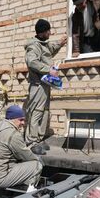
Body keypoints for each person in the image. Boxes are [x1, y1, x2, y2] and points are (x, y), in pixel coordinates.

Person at [0, 97, 42, 190]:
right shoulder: (13, 134)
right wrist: (38, 157)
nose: (23, 123)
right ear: (12, 119)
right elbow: (26, 156)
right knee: (36, 165)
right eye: (21, 120)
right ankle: (27, 193)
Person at [23, 19, 67, 155]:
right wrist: (49, 69)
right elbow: (32, 62)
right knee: (36, 112)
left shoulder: (43, 44)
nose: (50, 32)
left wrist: (60, 43)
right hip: (37, 85)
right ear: (42, 32)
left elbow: (50, 50)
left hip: (45, 84)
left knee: (45, 111)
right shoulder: (34, 46)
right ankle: (31, 141)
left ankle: (39, 138)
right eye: (48, 31)